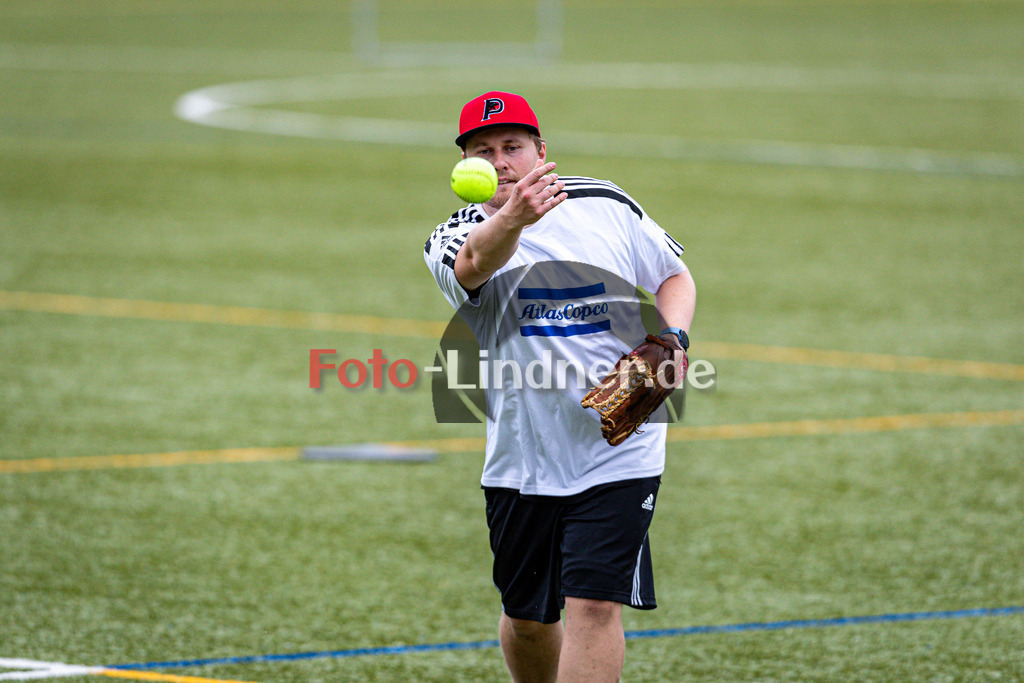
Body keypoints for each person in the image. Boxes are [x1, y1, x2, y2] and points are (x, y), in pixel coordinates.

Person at [423, 91, 696, 682]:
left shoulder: (605, 202)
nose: (500, 162)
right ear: (464, 164)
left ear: (541, 151)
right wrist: (514, 218)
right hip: (523, 458)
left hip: (619, 449)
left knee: (595, 607)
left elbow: (674, 274)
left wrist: (673, 339)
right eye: (483, 151)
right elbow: (473, 266)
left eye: (512, 147)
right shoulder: (452, 235)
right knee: (528, 618)